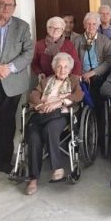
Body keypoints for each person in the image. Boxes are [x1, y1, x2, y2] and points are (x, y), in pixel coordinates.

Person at [24, 52, 84, 195]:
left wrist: (58, 103)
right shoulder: (46, 81)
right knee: (33, 136)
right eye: (59, 66)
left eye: (65, 67)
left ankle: (56, 168)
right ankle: (33, 179)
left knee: (50, 128)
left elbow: (78, 95)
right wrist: (41, 105)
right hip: (41, 113)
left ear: (70, 69)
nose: (62, 70)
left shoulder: (74, 80)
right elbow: (33, 95)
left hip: (60, 115)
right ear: (54, 68)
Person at [0, 0, 34, 174]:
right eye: (2, 3)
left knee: (7, 123)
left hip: (13, 83)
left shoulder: (22, 27)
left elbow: (28, 53)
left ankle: (1, 162)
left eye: (10, 5)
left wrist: (7, 68)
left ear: (15, 8)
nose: (6, 8)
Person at [73, 12, 111, 153]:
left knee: (99, 106)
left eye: (94, 24)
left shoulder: (104, 40)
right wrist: (81, 75)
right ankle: (81, 141)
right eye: (88, 24)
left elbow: (109, 61)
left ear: (98, 25)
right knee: (77, 105)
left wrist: (93, 72)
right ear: (84, 25)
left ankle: (100, 143)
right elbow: (73, 60)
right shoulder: (77, 40)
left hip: (98, 77)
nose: (91, 26)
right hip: (81, 78)